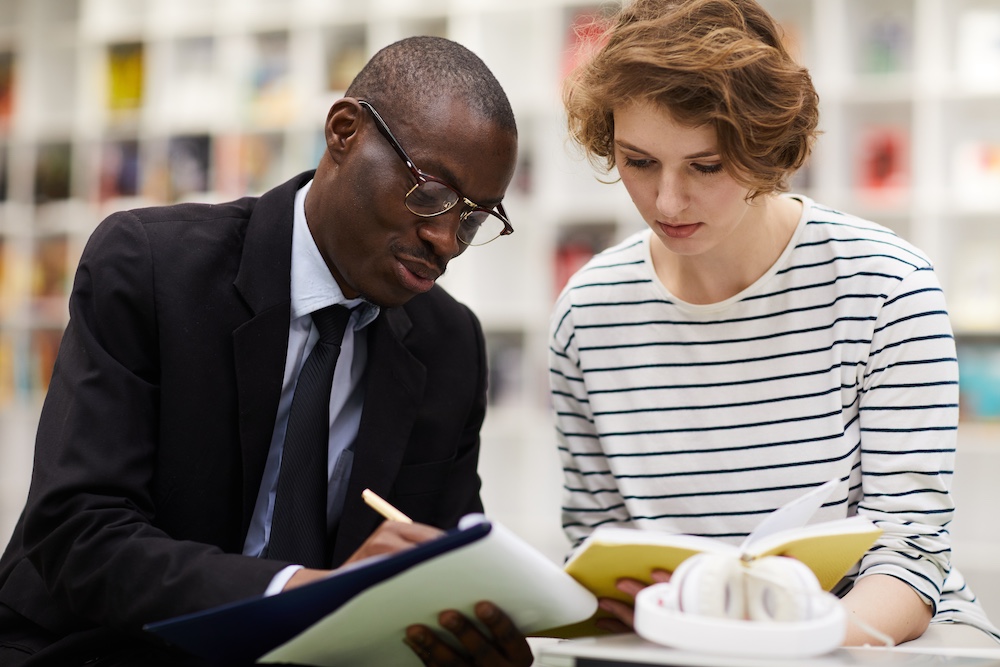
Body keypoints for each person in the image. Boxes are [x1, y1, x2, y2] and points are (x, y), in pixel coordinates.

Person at [0, 36, 531, 667]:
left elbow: (440, 559)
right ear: (344, 131)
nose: (446, 240)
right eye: (430, 194)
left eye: (474, 218)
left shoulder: (450, 347)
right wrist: (298, 593)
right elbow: (75, 532)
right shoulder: (150, 268)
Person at [550, 0, 1000, 649]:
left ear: (767, 148)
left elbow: (908, 558)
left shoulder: (887, 287)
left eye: (705, 166)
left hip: (874, 637)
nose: (667, 200)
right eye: (639, 161)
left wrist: (778, 646)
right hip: (686, 643)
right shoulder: (587, 313)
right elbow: (598, 551)